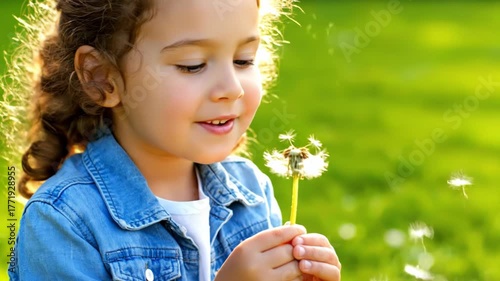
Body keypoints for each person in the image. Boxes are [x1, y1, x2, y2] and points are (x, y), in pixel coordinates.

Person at [6, 0, 341, 280]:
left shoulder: (252, 194)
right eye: (192, 65)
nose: (233, 88)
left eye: (243, 60)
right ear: (102, 78)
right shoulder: (65, 222)